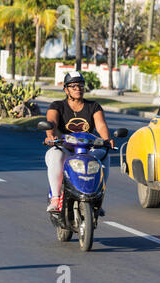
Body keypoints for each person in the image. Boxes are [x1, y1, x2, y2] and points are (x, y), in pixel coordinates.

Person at [44, 71, 114, 212]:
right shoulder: (57, 106)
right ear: (66, 89)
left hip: (88, 150)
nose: (78, 88)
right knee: (54, 155)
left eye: (81, 85)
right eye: (73, 86)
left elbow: (100, 125)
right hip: (65, 149)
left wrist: (107, 139)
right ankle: (56, 198)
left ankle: (98, 199)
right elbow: (51, 122)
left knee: (105, 156)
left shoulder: (93, 106)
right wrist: (50, 135)